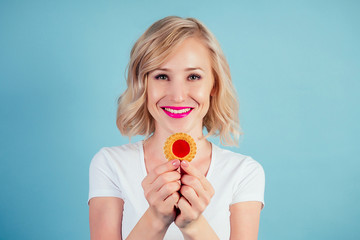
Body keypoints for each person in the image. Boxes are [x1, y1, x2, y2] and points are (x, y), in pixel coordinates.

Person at [88, 16, 265, 240]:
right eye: (161, 76)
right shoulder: (110, 164)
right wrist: (156, 218)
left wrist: (193, 225)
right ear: (142, 84)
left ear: (214, 85)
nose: (178, 96)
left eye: (193, 76)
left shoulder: (244, 173)